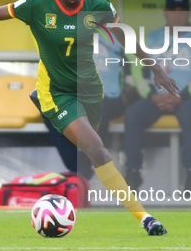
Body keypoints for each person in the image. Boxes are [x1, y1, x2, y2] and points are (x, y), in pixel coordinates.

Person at [0, 0, 180, 235]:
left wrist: (154, 67)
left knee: (90, 150)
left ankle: (68, 143)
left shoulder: (98, 3)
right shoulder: (37, 4)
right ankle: (145, 217)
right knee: (97, 151)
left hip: (90, 88)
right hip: (57, 91)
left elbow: (123, 35)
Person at [124, 0, 191, 192]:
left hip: (188, 97)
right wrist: (151, 95)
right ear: (165, 12)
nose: (177, 15)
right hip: (157, 97)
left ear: (188, 13)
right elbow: (138, 70)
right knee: (133, 113)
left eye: (182, 11)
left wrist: (181, 96)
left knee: (188, 113)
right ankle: (133, 170)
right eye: (173, 11)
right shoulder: (152, 37)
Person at [29, 34, 141, 179]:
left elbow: (134, 68)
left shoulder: (118, 39)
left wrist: (128, 91)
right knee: (49, 114)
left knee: (99, 108)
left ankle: (85, 163)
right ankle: (78, 166)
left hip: (110, 97)